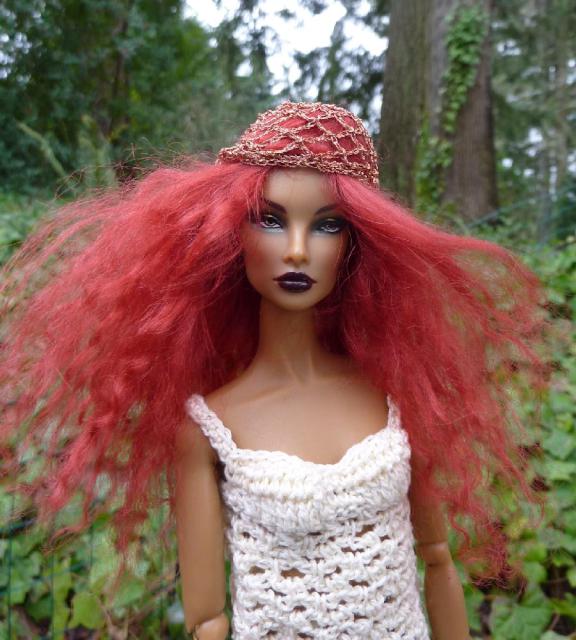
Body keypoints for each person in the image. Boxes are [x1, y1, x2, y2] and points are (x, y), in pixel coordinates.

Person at [1, 102, 548, 639]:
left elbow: (437, 559)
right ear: (231, 233)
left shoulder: (391, 397)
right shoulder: (209, 426)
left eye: (327, 226)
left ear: (356, 246)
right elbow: (206, 620)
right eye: (270, 220)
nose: (297, 250)